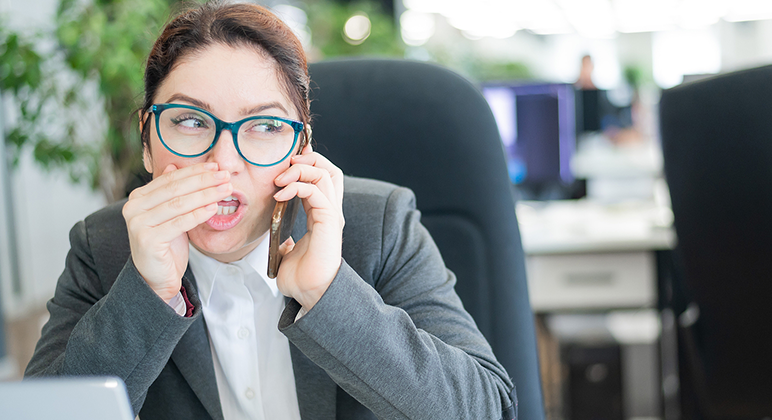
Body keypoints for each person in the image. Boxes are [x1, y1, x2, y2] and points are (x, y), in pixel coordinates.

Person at [24, 2, 516, 419]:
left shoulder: (380, 226)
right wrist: (149, 293)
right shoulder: (103, 247)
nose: (224, 161)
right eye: (191, 121)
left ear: (301, 147)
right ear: (147, 141)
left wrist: (327, 295)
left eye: (263, 126)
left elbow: (486, 407)